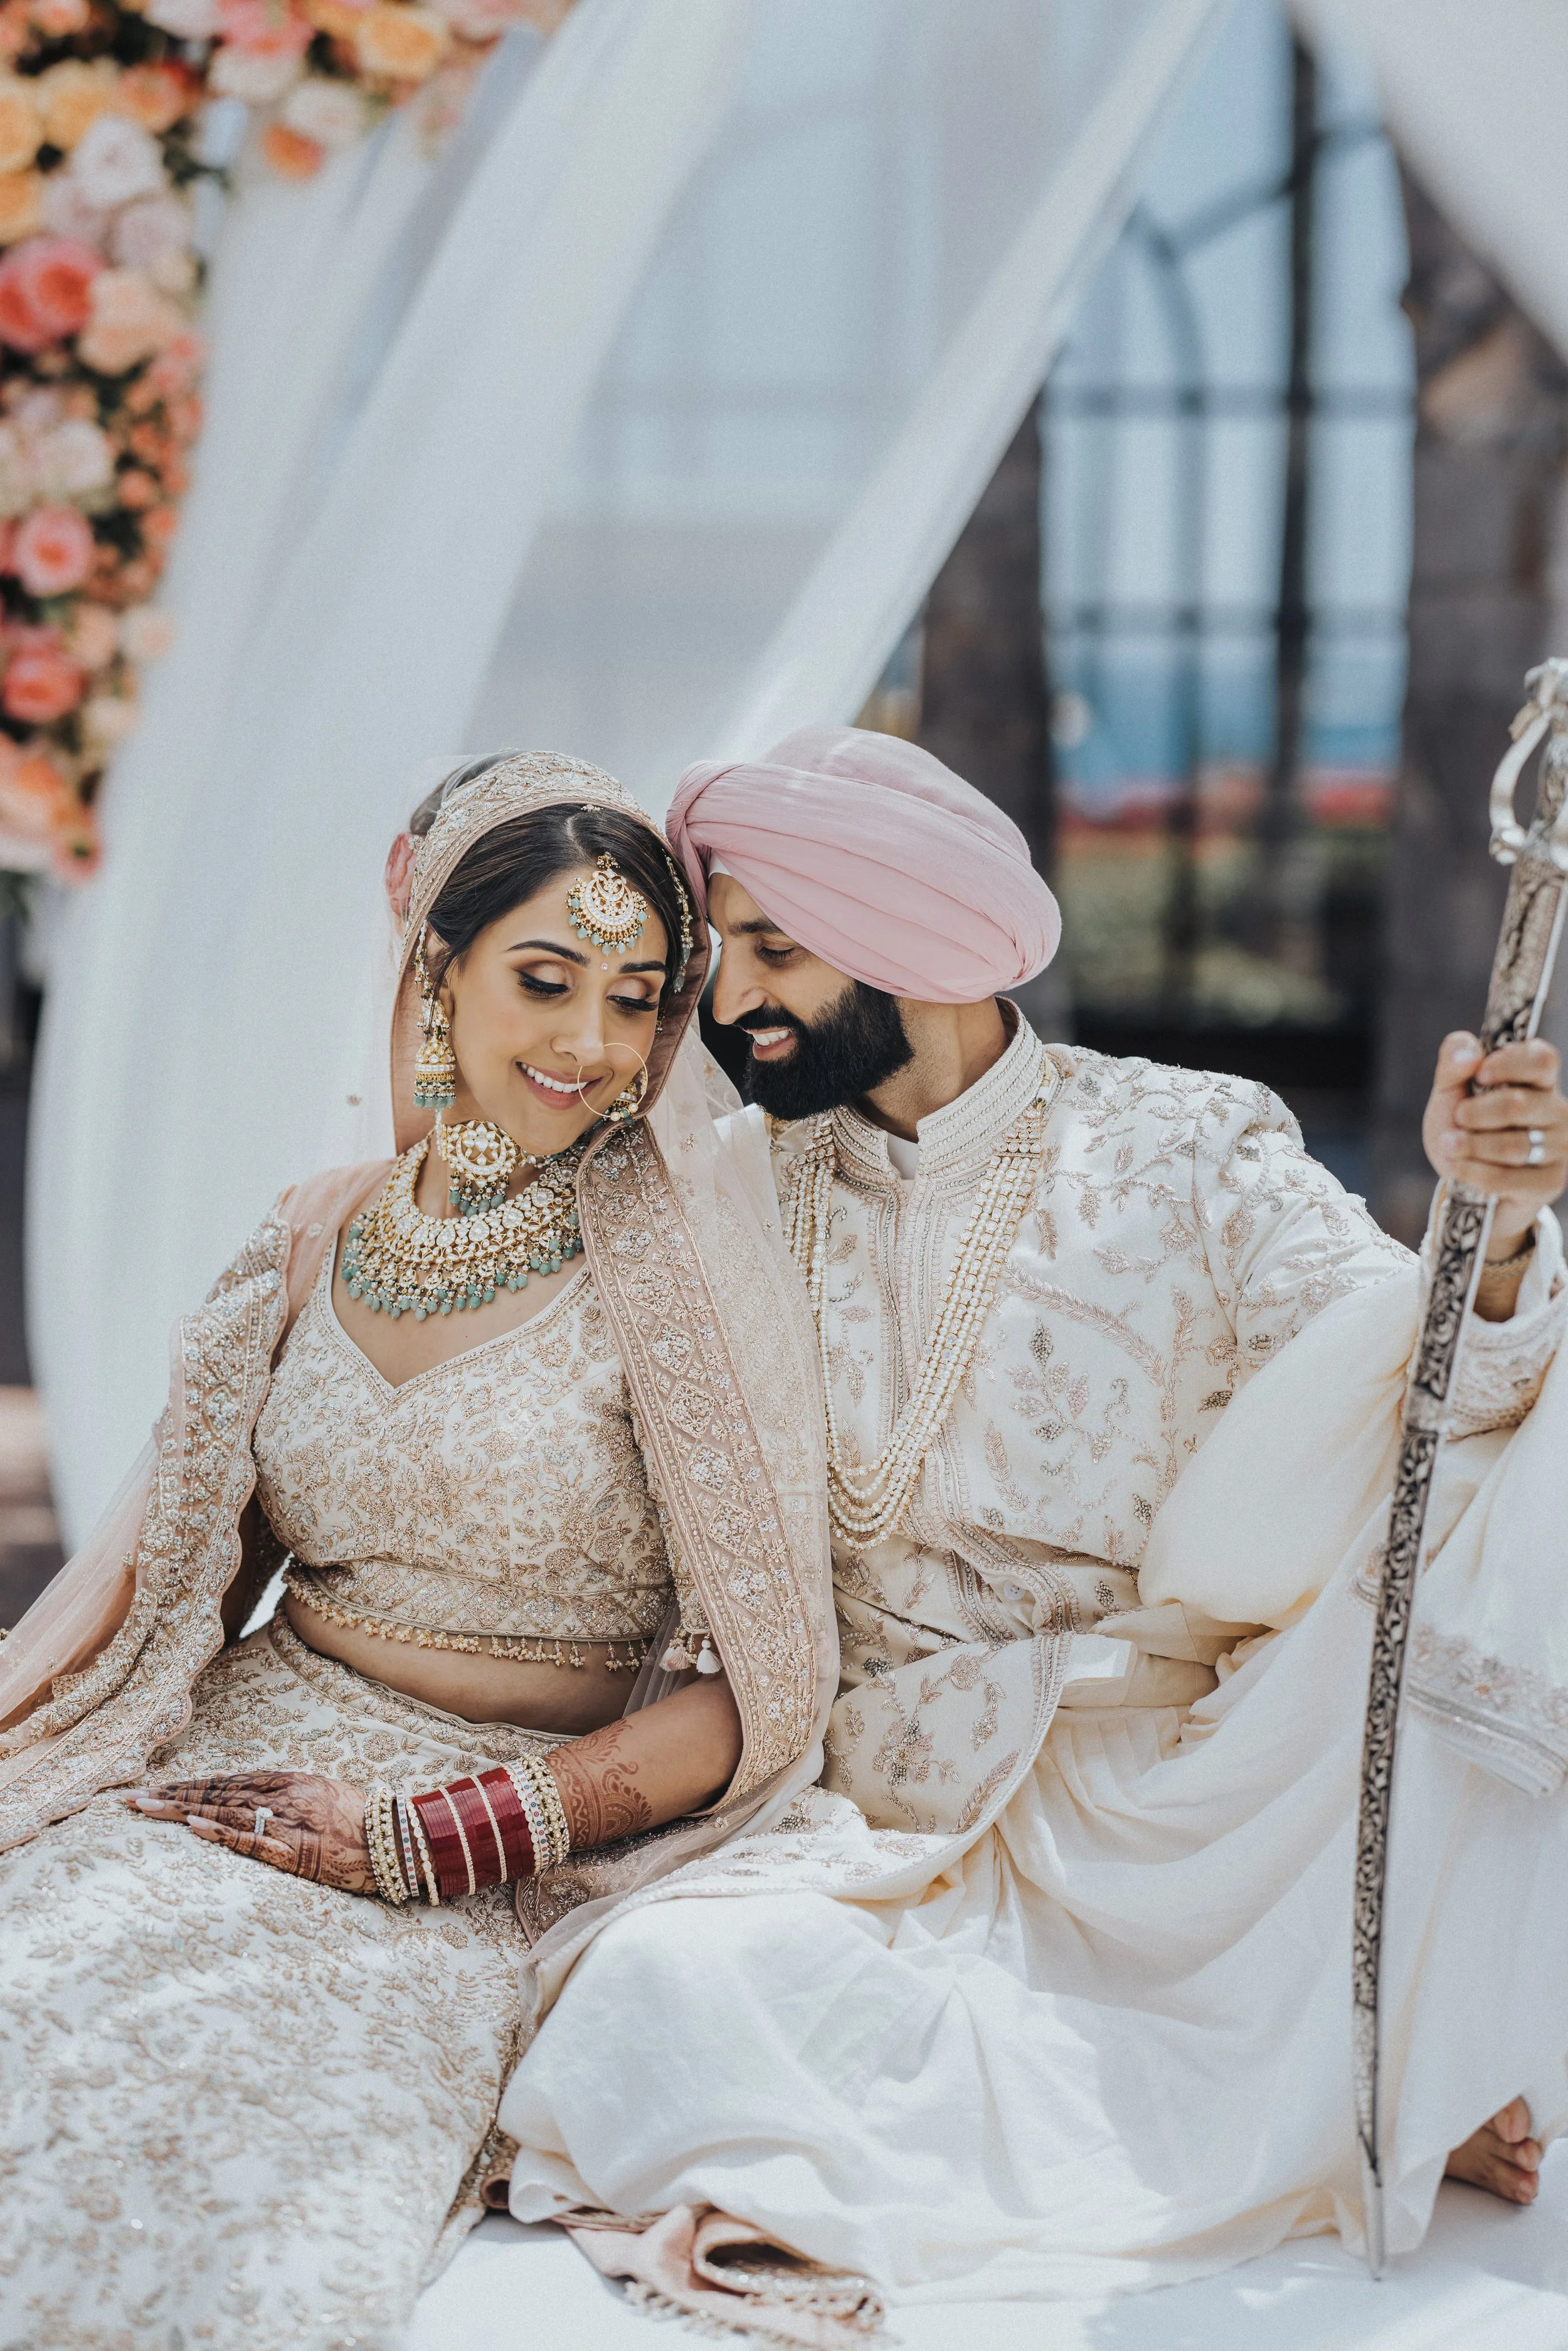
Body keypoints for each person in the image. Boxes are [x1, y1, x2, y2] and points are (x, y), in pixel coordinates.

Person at [494, 723, 1568, 2315]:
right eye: (729, 957)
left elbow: (1415, 1404)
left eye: (776, 953)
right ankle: (1318, 2086)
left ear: (911, 947)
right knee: (657, 1991)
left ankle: (1359, 2046)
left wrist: (1485, 1229)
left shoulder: (1193, 1141)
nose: (730, 1007)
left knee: (1467, 1548)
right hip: (888, 1824)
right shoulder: (722, 1183)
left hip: (1198, 1807)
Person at [0, 751, 837, 2348]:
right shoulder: (314, 1231)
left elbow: (761, 1684)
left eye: (636, 998)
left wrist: (425, 1838)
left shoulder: (669, 1276)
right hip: (231, 1770)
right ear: (434, 965)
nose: (590, 1043)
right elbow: (174, 1586)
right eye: (544, 978)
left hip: (471, 1848)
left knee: (236, 2189)